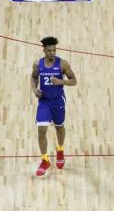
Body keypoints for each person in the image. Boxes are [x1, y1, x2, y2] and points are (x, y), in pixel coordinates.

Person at [30, 36, 77, 177]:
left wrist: (60, 81)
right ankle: (45, 160)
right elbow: (33, 77)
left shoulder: (62, 64)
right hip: (44, 102)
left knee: (59, 127)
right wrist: (35, 90)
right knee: (41, 130)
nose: (52, 53)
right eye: (49, 50)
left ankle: (60, 150)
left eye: (54, 50)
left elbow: (74, 81)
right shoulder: (38, 64)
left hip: (58, 101)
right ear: (44, 50)